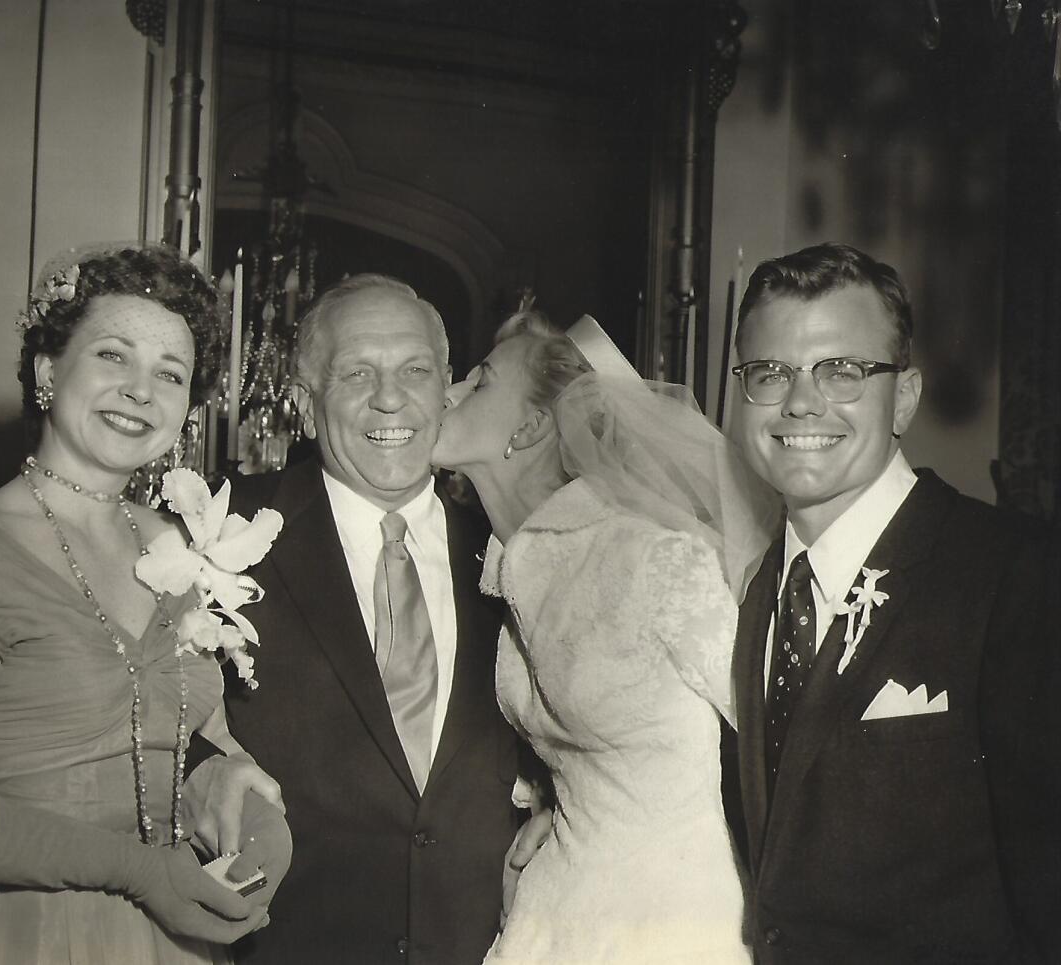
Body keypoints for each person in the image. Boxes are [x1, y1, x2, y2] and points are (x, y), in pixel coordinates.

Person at [0, 244, 290, 965]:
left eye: (169, 373)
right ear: (47, 371)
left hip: (175, 940)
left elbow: (177, 743)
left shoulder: (178, 547)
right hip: (30, 936)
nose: (139, 390)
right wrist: (139, 870)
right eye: (113, 356)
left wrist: (240, 795)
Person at [729, 242, 1061, 964]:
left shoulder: (1017, 574)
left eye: (842, 370)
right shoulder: (761, 590)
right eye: (769, 372)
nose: (800, 401)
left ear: (903, 398)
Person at [432, 310, 777, 964]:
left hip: (674, 922)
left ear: (531, 426)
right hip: (551, 906)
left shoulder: (654, 561)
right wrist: (546, 805)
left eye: (479, 383)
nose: (446, 392)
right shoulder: (510, 573)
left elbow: (783, 749)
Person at [219, 274, 523, 965]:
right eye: (357, 372)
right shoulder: (223, 535)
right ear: (304, 400)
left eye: (415, 370)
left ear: (447, 385)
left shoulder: (513, 548)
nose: (392, 398)